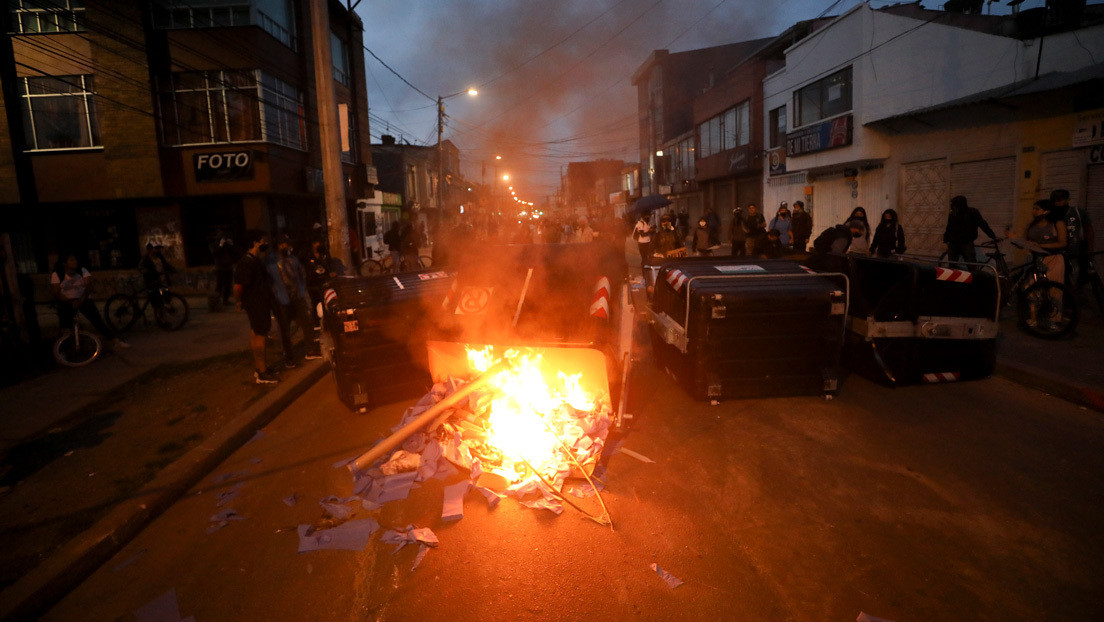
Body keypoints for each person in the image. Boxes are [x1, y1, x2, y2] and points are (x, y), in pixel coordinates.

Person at [50, 254, 129, 349]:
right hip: (66, 301)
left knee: (97, 321)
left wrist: (81, 300)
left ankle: (116, 341)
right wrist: (70, 302)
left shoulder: (82, 271)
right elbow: (56, 292)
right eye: (71, 260)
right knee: (65, 326)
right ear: (64, 263)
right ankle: (63, 349)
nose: (75, 262)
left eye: (75, 259)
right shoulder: (57, 274)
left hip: (83, 298)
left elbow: (88, 287)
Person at [234, 230, 279, 384]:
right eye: (263, 241)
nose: (265, 244)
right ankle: (262, 373)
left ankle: (260, 369)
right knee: (260, 337)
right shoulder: (247, 262)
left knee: (256, 334)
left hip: (259, 304)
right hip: (256, 305)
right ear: (255, 243)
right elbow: (238, 287)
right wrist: (238, 301)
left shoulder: (255, 260)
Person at [273, 234, 321, 360]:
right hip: (282, 301)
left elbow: (301, 275)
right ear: (279, 245)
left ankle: (311, 350)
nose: (287, 247)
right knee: (284, 330)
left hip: (297, 299)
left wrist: (302, 291)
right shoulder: (272, 262)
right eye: (284, 244)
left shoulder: (293, 259)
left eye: (288, 244)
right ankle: (288, 356)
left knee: (307, 323)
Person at [1051, 189, 1095, 289]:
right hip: (1057, 254)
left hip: (1075, 252)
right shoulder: (1052, 214)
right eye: (1054, 200)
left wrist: (1090, 249)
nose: (1056, 203)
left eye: (1059, 200)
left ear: (1067, 199)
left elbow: (1089, 230)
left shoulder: (1078, 212)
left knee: (1075, 280)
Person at [943, 195, 997, 266]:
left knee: (970, 264)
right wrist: (945, 240)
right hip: (955, 243)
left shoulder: (972, 212)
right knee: (956, 265)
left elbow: (983, 224)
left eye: (955, 205)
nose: (953, 207)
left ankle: (972, 276)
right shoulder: (953, 214)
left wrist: (992, 235)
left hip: (965, 243)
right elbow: (949, 228)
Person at [139, 242, 175, 314]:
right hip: (153, 282)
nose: (158, 250)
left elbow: (166, 264)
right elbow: (140, 268)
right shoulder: (146, 259)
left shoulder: (159, 257)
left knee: (166, 296)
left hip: (162, 281)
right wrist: (147, 272)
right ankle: (161, 320)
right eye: (156, 248)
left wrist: (173, 270)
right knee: (157, 302)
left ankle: (167, 310)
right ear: (150, 249)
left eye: (159, 248)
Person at [213, 231, 236, 306]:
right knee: (219, 286)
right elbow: (216, 253)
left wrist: (231, 245)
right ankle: (216, 301)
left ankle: (225, 300)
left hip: (228, 267)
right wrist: (221, 245)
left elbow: (235, 253)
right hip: (220, 268)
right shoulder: (217, 244)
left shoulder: (228, 245)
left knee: (227, 285)